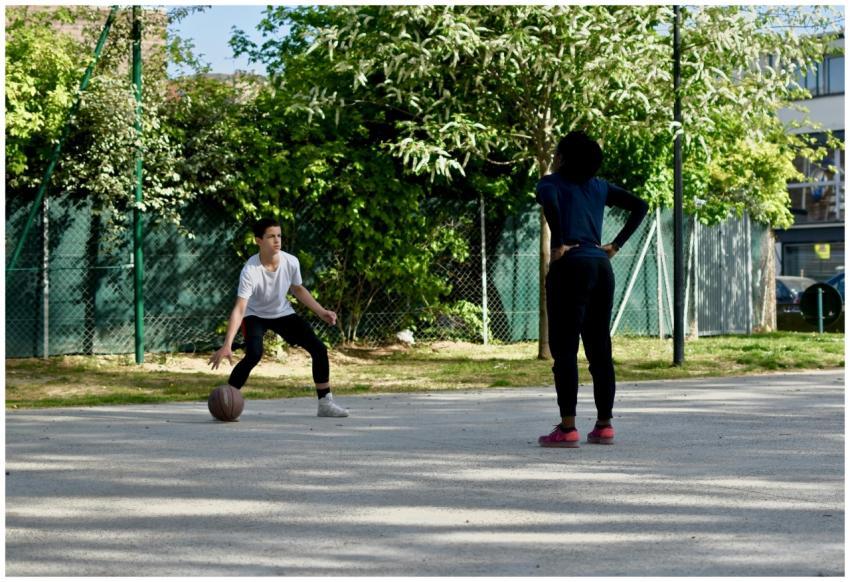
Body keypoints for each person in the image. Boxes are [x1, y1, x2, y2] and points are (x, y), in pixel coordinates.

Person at [536, 131, 648, 447]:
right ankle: (604, 425)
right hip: (601, 265)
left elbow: (551, 202)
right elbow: (640, 205)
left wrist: (558, 242)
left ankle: (568, 428)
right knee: (600, 348)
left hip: (570, 266)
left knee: (565, 349)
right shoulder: (599, 186)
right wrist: (616, 244)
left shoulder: (550, 182)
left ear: (561, 158)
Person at [208, 217, 349, 417]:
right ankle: (227, 397)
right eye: (271, 236)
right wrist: (227, 344)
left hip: (282, 312)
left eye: (279, 236)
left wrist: (321, 311)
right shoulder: (250, 270)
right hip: (254, 315)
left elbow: (298, 289)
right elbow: (240, 308)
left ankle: (325, 403)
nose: (277, 240)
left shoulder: (291, 261)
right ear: (258, 240)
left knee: (319, 348)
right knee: (254, 354)